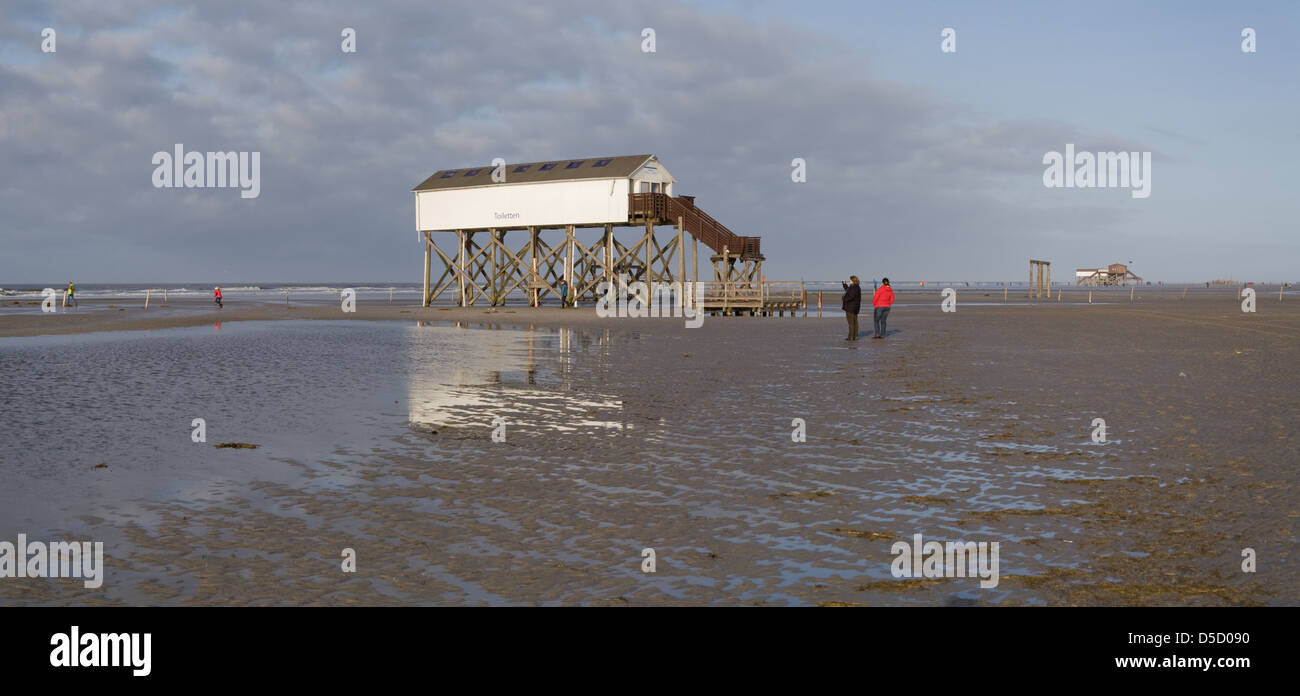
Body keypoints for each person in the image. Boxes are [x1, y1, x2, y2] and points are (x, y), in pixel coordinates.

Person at [841, 275, 861, 341]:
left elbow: (851, 296)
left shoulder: (853, 287)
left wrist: (844, 298)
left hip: (850, 307)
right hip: (855, 307)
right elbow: (848, 290)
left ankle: (851, 337)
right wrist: (844, 284)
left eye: (850, 280)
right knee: (855, 322)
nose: (849, 281)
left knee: (851, 323)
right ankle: (855, 336)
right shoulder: (857, 287)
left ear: (853, 281)